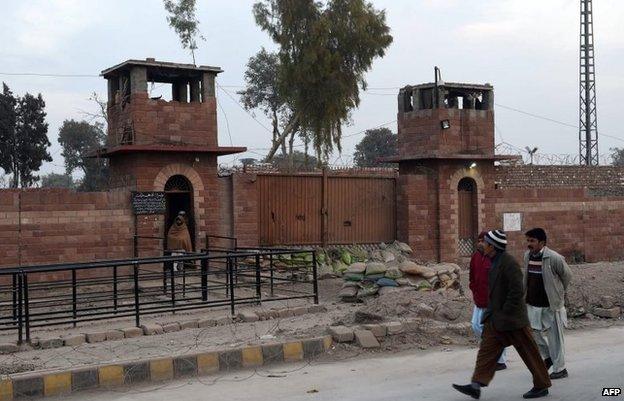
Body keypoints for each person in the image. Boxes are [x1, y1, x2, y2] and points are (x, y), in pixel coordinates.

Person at [453, 230, 551, 400]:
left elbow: (517, 291)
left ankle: (542, 385)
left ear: (492, 246)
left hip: (513, 320)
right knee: (486, 350)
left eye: (485, 242)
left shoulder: (509, 263)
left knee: (529, 353)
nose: (482, 245)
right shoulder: (492, 261)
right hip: (496, 319)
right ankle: (476, 385)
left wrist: (505, 311)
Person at [524, 228, 572, 380]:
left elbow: (567, 276)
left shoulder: (553, 258)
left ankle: (560, 369)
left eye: (532, 241)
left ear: (542, 243)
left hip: (551, 305)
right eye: (528, 240)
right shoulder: (527, 256)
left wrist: (557, 293)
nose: (529, 244)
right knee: (534, 334)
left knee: (555, 338)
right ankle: (548, 357)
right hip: (532, 304)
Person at [469, 231, 507, 371]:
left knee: (494, 330)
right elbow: (472, 277)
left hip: (492, 301)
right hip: (479, 300)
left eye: (483, 241)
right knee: (476, 326)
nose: (480, 243)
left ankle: (500, 360)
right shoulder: (475, 257)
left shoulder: (495, 259)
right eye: (479, 240)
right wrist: (474, 289)